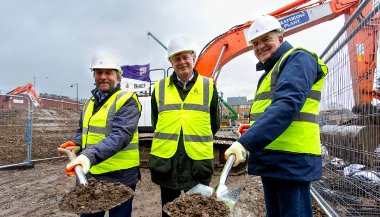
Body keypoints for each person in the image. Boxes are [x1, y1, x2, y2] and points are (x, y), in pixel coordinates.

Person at [224, 15, 328, 217]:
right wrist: (253, 129)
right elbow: (272, 109)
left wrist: (246, 142)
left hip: (291, 161)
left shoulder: (298, 58)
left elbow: (286, 105)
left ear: (281, 37)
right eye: (255, 43)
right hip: (275, 160)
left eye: (266, 39)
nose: (260, 46)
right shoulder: (273, 69)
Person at [59, 51, 142, 217]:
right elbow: (83, 131)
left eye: (108, 73)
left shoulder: (127, 100)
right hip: (92, 174)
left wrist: (88, 156)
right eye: (99, 73)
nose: (103, 77)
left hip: (121, 176)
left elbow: (121, 136)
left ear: (117, 76)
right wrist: (76, 144)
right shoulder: (89, 102)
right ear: (94, 75)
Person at [149, 36, 220, 217]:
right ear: (171, 62)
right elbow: (155, 122)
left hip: (197, 164)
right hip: (168, 164)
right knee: (169, 212)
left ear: (193, 58)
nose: (182, 62)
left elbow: (214, 124)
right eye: (176, 58)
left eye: (185, 57)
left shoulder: (208, 86)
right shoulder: (159, 88)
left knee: (197, 212)